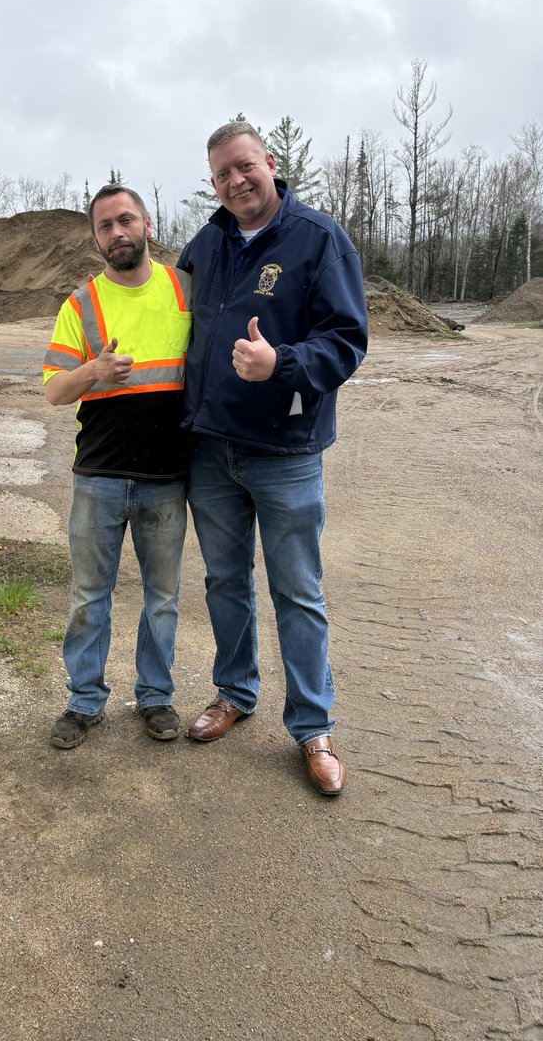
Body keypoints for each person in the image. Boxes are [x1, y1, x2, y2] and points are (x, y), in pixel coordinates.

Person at [176, 120, 367, 795]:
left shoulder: (317, 239)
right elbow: (179, 330)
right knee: (224, 584)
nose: (235, 182)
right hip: (211, 452)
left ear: (270, 163)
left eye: (243, 167)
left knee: (298, 593)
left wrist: (280, 362)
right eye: (221, 174)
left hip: (285, 452)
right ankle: (234, 693)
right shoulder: (207, 244)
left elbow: (346, 340)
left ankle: (313, 729)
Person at [43, 185, 192, 748]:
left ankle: (155, 697)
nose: (117, 233)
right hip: (99, 477)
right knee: (89, 596)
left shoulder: (185, 291)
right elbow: (55, 390)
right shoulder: (80, 304)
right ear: (96, 238)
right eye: (105, 226)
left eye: (125, 220)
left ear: (148, 223)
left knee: (163, 598)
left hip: (166, 478)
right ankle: (84, 702)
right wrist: (93, 373)